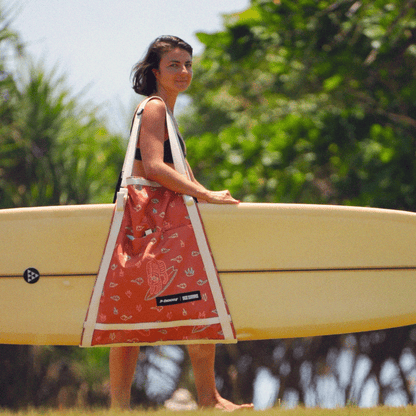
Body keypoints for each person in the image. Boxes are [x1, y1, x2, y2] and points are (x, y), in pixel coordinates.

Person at [109, 36, 253, 411]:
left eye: (188, 64)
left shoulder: (169, 118)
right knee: (131, 317)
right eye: (174, 64)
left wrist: (203, 195)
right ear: (155, 71)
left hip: (161, 225)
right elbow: (155, 168)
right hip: (146, 225)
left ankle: (209, 397)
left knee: (198, 303)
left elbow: (175, 173)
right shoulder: (154, 108)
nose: (184, 72)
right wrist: (206, 195)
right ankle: (120, 407)